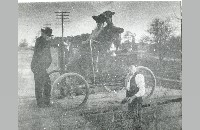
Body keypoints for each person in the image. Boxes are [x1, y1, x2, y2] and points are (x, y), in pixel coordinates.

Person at [31, 27, 53, 108]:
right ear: (43, 34)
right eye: (47, 35)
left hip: (42, 67)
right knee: (39, 84)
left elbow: (48, 56)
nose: (49, 37)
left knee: (47, 83)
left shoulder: (46, 41)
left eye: (49, 36)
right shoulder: (40, 41)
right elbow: (40, 54)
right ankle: (40, 103)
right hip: (37, 66)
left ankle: (46, 101)